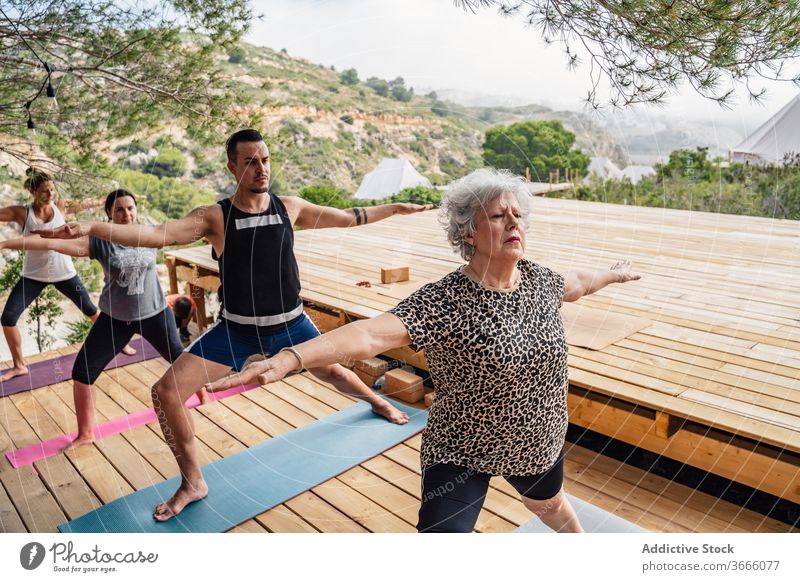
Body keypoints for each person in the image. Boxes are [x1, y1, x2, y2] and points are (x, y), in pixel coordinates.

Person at [208, 168, 642, 533]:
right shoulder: (444, 301)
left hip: (536, 441)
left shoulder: (541, 282)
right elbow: (370, 335)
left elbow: (579, 284)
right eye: (498, 215)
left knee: (548, 506)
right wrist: (289, 358)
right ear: (468, 233)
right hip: (461, 448)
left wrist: (612, 274)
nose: (514, 222)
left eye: (517, 214)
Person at [36, 128, 432, 521]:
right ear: (232, 167)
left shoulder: (289, 207)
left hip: (291, 324)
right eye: (250, 162)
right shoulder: (215, 217)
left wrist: (394, 207)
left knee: (331, 372)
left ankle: (377, 400)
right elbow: (158, 235)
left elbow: (348, 217)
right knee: (165, 393)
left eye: (265, 159)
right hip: (236, 330)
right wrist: (94, 227)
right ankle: (193, 482)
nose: (261, 169)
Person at [0, 189, 200, 448]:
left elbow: (189, 227)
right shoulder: (100, 241)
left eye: (130, 208)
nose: (126, 214)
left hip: (154, 314)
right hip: (115, 319)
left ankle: (204, 395)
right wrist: (6, 243)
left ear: (136, 210)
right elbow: (50, 244)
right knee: (82, 372)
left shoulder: (150, 234)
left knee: (180, 359)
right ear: (109, 214)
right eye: (119, 209)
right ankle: (85, 434)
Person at [0, 168, 105, 381]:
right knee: (8, 318)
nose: (50, 194)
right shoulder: (23, 213)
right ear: (32, 192)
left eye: (52, 189)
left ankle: (116, 343)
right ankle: (19, 366)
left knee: (91, 310)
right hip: (32, 276)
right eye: (44, 191)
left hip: (64, 273)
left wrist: (106, 199)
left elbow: (85, 203)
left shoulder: (60, 207)